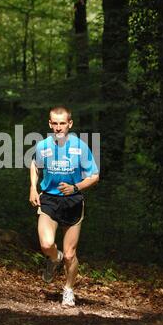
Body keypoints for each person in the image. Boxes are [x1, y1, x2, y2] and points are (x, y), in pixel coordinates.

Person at [29, 106, 99, 308]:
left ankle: (68, 289)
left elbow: (94, 175)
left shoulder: (80, 147)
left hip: (73, 201)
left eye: (62, 123)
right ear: (50, 124)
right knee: (46, 244)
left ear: (70, 124)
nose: (58, 128)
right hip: (49, 199)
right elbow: (35, 165)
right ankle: (54, 258)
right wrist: (33, 188)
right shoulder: (43, 146)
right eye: (55, 124)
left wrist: (75, 186)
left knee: (70, 254)